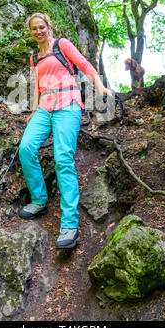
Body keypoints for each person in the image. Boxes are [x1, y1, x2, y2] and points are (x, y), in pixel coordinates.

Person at [18, 13, 112, 249]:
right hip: (44, 107)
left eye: (42, 27)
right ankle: (39, 199)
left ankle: (70, 224)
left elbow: (84, 64)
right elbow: (38, 86)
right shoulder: (34, 58)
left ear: (49, 27)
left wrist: (101, 86)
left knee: (63, 159)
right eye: (34, 29)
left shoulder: (62, 45)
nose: (38, 31)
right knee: (26, 148)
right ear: (30, 32)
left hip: (68, 104)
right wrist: (33, 110)